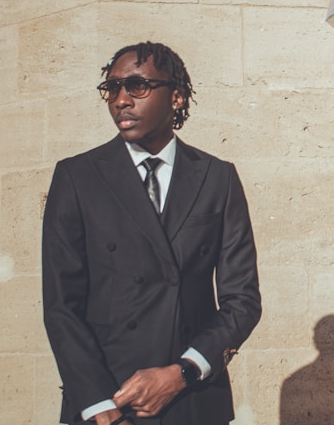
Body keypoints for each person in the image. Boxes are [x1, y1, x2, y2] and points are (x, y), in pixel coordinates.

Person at [42, 41, 261, 425]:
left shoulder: (216, 177)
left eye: (137, 86)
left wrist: (183, 372)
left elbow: (242, 300)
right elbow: (62, 306)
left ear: (176, 97)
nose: (121, 100)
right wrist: (98, 405)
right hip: (109, 399)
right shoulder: (77, 177)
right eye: (112, 88)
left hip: (192, 400)